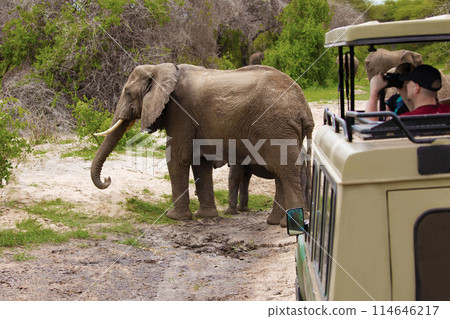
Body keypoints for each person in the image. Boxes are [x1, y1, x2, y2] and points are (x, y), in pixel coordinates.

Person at [365, 64, 450, 118]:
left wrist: (374, 91)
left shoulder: (406, 121)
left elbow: (370, 126)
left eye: (409, 82)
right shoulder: (447, 112)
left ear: (416, 88)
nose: (407, 85)